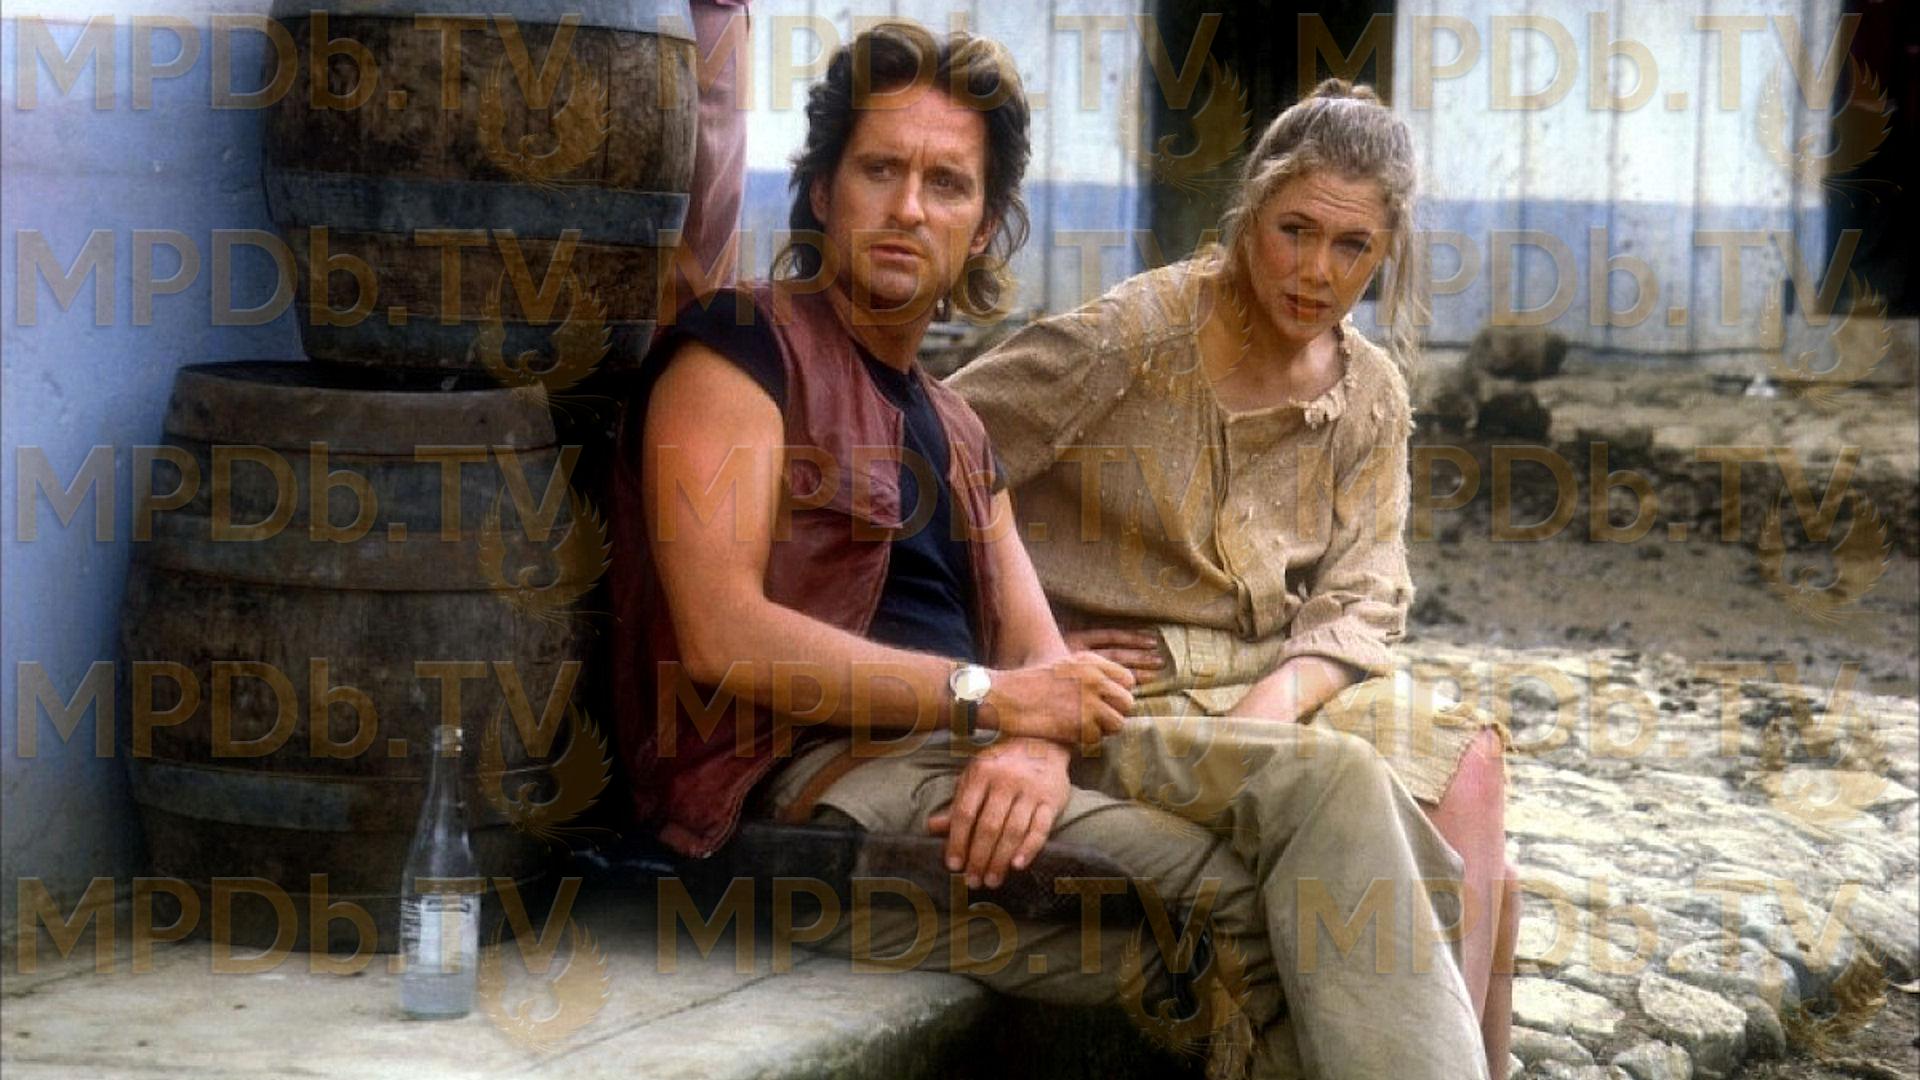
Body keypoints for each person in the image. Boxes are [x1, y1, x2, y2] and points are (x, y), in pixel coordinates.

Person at [610, 26, 1489, 1080]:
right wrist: (992, 703)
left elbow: (1038, 658)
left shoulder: (956, 428)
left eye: (947, 184)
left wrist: (1032, 738)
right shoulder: (740, 350)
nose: (909, 208)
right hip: (811, 793)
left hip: (963, 753)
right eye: (880, 170)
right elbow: (722, 636)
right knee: (1269, 906)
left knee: (1338, 785)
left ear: (984, 226)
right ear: (820, 192)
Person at [948, 79, 1519, 1077]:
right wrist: (1022, 641)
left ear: (1386, 252)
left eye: (1353, 246)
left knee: (1472, 776)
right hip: (1134, 683)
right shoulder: (1134, 339)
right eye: (1294, 230)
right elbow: (937, 450)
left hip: (1279, 677)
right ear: (1251, 213)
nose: (1317, 270)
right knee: (1458, 865)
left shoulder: (1368, 394)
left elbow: (1363, 597)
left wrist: (1268, 712)